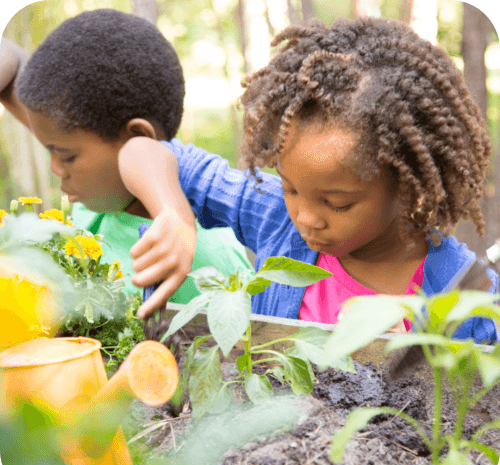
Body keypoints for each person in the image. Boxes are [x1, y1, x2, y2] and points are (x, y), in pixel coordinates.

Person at [118, 17, 498, 343]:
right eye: (289, 187)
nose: (306, 218)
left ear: (407, 187)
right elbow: (143, 151)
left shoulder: (465, 297)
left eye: (337, 203)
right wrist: (174, 213)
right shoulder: (275, 220)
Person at [0, 9, 252, 316]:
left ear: (138, 136)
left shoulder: (210, 260)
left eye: (66, 156)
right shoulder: (98, 207)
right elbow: (9, 59)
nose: (55, 168)